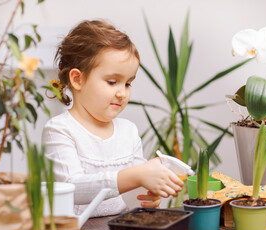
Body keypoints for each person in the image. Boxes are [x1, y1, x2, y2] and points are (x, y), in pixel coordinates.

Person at [42, 20, 184, 217]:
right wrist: (136, 175)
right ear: (77, 79)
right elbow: (71, 187)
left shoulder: (128, 131)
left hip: (118, 228)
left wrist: (149, 195)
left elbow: (135, 193)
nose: (122, 93)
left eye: (127, 84)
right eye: (112, 82)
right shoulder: (60, 130)